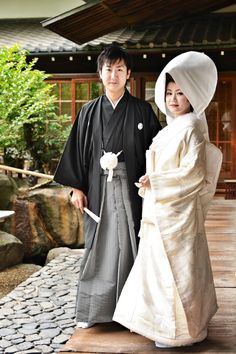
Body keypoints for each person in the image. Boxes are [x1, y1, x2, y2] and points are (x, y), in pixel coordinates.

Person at [113, 51, 222, 347]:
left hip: (176, 209)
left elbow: (193, 173)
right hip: (161, 204)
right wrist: (154, 181)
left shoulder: (191, 128)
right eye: (169, 92)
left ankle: (183, 331)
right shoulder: (175, 126)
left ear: (192, 96)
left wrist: (157, 180)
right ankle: (161, 326)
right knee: (159, 268)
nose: (173, 99)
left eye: (181, 93)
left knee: (178, 268)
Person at [53, 44, 162, 328]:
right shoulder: (88, 112)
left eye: (119, 70)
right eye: (108, 69)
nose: (113, 75)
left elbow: (157, 149)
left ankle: (134, 312)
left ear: (129, 75)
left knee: (132, 246)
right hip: (98, 188)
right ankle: (94, 311)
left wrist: (153, 174)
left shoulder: (142, 110)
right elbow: (77, 150)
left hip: (132, 189)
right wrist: (76, 188)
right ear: (100, 73)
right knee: (98, 248)